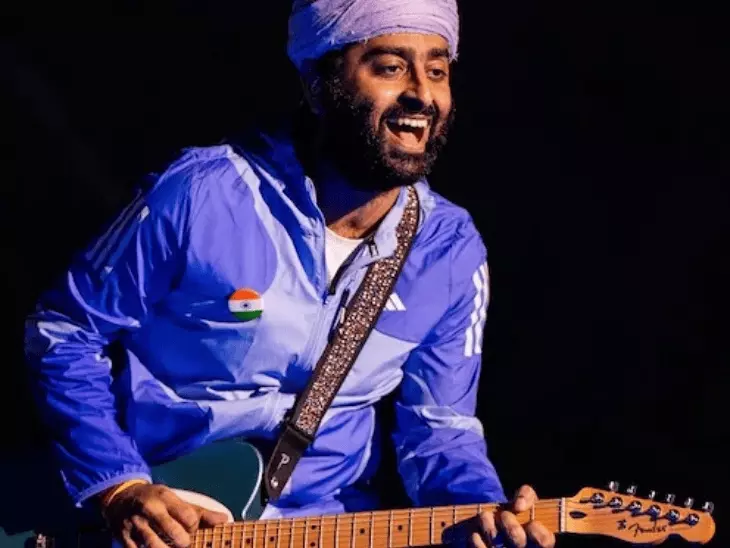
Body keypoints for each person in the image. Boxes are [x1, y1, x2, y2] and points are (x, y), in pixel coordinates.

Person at [24, 1, 556, 547]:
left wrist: (481, 510)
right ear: (318, 85)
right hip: (161, 522)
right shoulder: (199, 194)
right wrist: (118, 487)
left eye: (438, 70)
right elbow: (65, 333)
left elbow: (439, 430)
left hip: (323, 527)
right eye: (391, 67)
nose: (422, 93)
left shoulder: (449, 249)